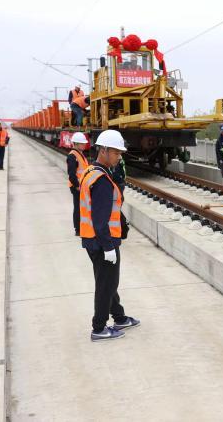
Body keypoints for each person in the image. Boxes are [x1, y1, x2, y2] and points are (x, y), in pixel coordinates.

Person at [80, 129, 139, 341]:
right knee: (106, 284)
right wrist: (108, 247)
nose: (119, 157)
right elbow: (100, 220)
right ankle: (99, 327)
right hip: (103, 241)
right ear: (103, 151)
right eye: (116, 153)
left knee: (108, 282)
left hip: (92, 240)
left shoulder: (91, 172)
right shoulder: (102, 180)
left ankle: (119, 317)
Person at [67, 132, 89, 236]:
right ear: (76, 143)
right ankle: (78, 229)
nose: (84, 145)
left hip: (82, 187)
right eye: (82, 143)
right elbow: (71, 174)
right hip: (77, 187)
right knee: (78, 208)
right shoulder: (72, 156)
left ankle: (82, 227)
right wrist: (77, 186)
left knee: (81, 208)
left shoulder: (80, 154)